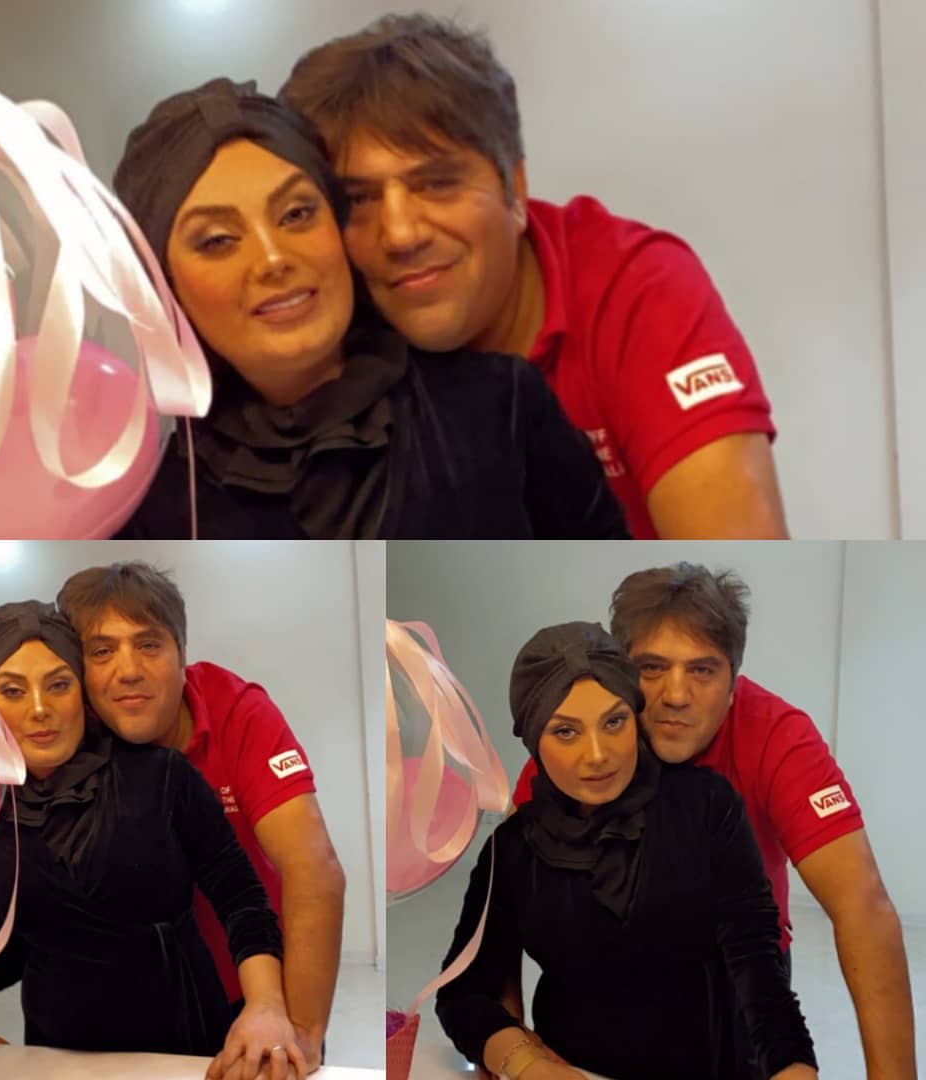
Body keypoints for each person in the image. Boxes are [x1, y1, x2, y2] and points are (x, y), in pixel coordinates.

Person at [280, 14, 789, 540]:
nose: (401, 234)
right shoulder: (333, 326)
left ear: (516, 190)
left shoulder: (635, 287)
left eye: (436, 184)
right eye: (359, 199)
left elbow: (738, 560)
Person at [109, 77, 628, 539]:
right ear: (165, 285)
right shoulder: (157, 508)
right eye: (218, 240)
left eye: (297, 214)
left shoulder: (500, 405)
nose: (272, 259)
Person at [0, 562, 345, 1074]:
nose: (128, 670)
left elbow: (311, 870)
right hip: (71, 1041)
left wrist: (297, 1027)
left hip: (231, 991)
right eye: (102, 651)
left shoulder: (231, 718)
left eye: (148, 644)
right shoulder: (36, 762)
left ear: (182, 653)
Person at [511, 564, 917, 1079]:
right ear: (619, 671)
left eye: (702, 670)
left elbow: (863, 906)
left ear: (732, 683)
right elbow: (502, 904)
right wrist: (510, 1045)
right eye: (652, 667)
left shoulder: (777, 736)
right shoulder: (582, 741)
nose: (676, 695)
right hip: (603, 979)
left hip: (738, 979)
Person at [435, 621, 817, 1079]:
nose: (598, 754)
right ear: (535, 740)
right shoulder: (513, 851)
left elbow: (758, 964)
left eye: (614, 722)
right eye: (566, 732)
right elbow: (463, 992)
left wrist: (793, 1065)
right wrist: (524, 1062)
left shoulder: (706, 807)